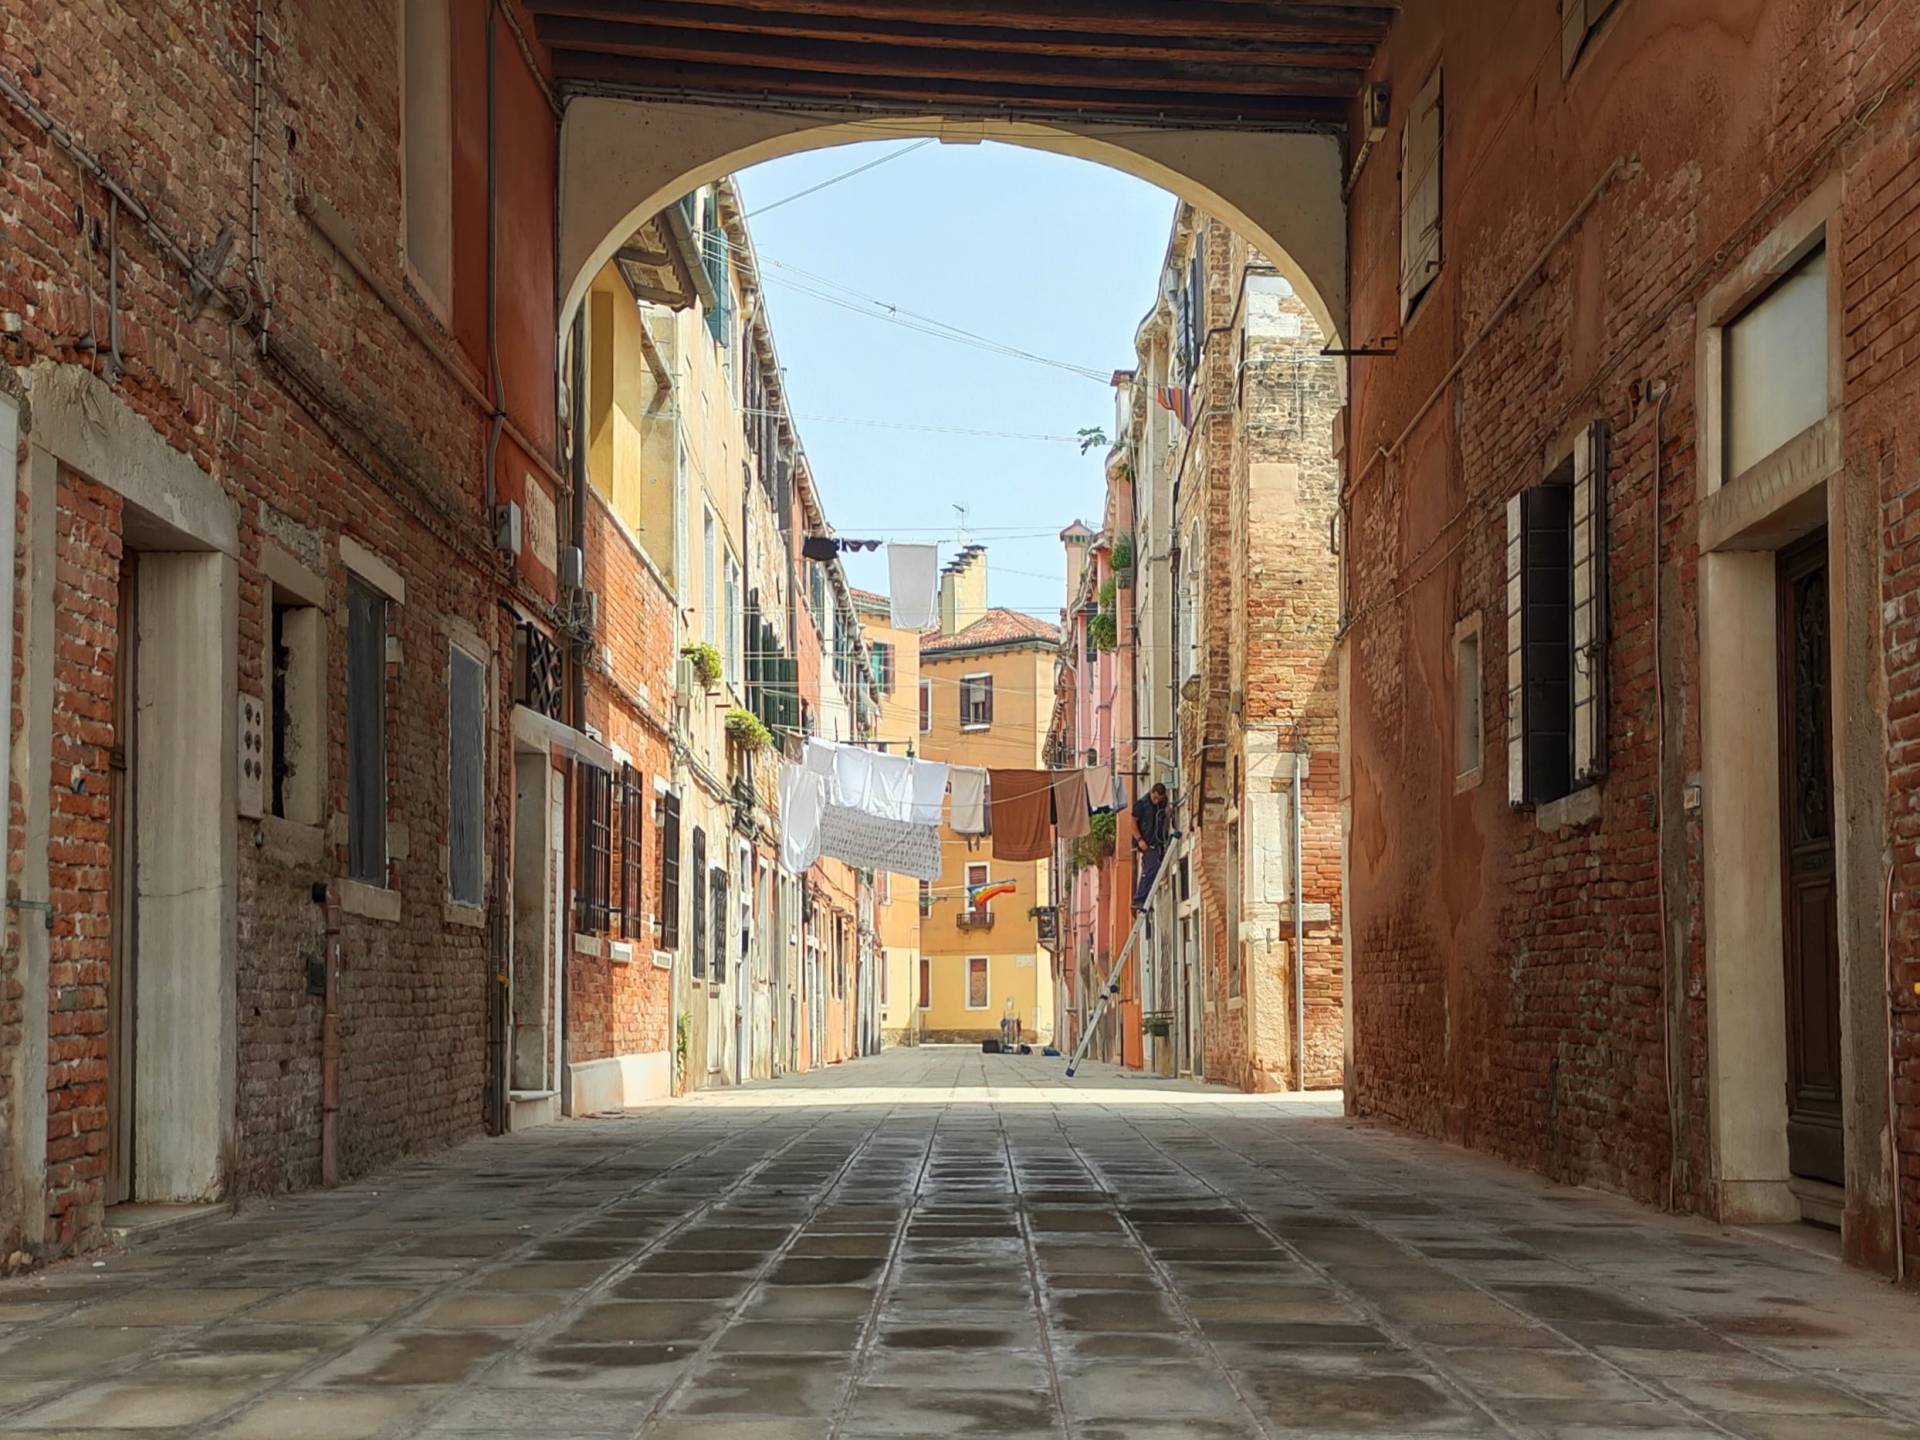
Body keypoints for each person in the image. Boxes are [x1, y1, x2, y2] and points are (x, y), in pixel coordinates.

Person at [1130, 782, 1171, 912]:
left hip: (1158, 842)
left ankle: (1145, 899)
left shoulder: (1162, 803)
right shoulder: (1141, 804)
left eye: (1159, 798)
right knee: (1150, 869)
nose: (1157, 801)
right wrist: (1139, 839)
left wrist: (1168, 812)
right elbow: (1132, 823)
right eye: (1155, 798)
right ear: (1152, 792)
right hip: (1146, 843)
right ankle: (1139, 899)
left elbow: (1164, 815)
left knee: (1154, 870)